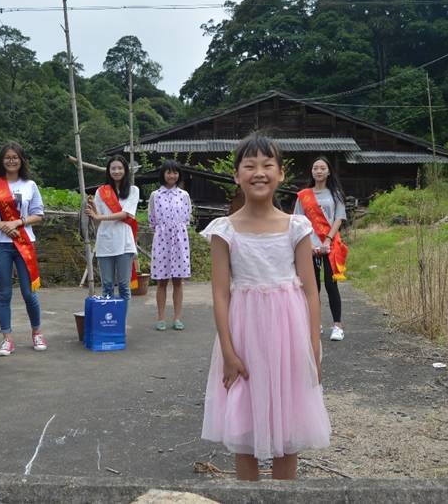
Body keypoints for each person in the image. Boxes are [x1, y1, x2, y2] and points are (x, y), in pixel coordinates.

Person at [200, 133, 330, 481]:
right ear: (236, 175)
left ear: (281, 173)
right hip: (243, 334)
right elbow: (221, 293)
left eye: (267, 165)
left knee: (288, 428)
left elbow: (311, 292)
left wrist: (313, 349)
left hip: (288, 334)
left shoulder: (296, 226)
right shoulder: (224, 230)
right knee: (245, 424)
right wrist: (228, 351)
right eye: (250, 166)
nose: (259, 172)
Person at [0, 142, 46, 357]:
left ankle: (37, 332)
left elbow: (39, 214)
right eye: (7, 157)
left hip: (25, 243)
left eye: (15, 157)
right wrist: (1, 225)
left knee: (28, 292)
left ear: (21, 160)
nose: (11, 160)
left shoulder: (30, 185)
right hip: (0, 245)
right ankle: (7, 338)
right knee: (4, 293)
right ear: (2, 161)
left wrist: (18, 223)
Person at [293, 156, 348, 341]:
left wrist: (327, 241)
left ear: (328, 171)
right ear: (312, 171)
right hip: (309, 246)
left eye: (322, 168)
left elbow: (339, 218)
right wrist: (310, 245)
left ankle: (338, 326)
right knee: (312, 286)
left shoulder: (336, 194)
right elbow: (299, 222)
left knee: (332, 286)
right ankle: (315, 324)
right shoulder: (303, 196)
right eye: (315, 167)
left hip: (331, 245)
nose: (318, 171)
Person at [86, 155, 140, 306]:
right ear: (108, 171)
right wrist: (92, 210)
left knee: (124, 286)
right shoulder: (101, 191)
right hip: (105, 241)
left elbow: (126, 214)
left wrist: (99, 215)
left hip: (124, 242)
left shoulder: (133, 190)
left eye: (120, 168)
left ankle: (120, 323)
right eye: (113, 168)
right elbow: (97, 219)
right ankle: (108, 323)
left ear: (125, 170)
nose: (116, 171)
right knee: (107, 286)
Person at [148, 159, 191, 331]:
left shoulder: (184, 195)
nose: (172, 175)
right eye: (168, 172)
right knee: (161, 282)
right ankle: (160, 318)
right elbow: (152, 220)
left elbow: (186, 218)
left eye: (175, 172)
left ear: (179, 174)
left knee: (178, 281)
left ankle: (177, 318)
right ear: (163, 174)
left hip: (180, 241)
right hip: (161, 240)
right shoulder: (155, 195)